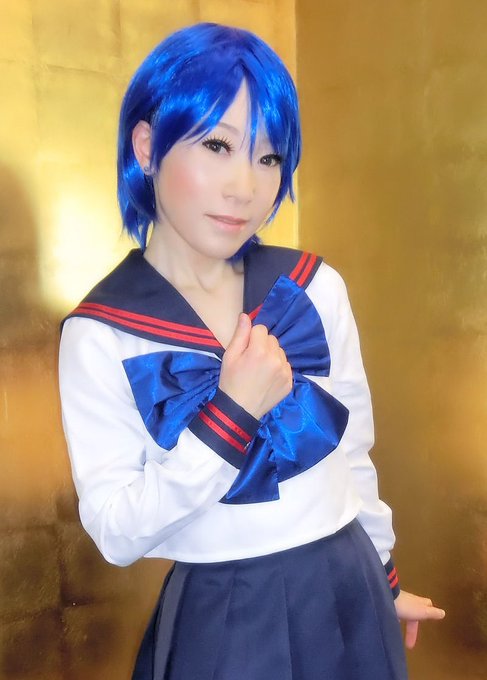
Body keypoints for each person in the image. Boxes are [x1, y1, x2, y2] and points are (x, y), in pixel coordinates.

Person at [59, 22, 445, 680]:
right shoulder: (101, 331)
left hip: (348, 587)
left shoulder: (312, 286)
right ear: (147, 146)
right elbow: (117, 533)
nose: (246, 186)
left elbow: (353, 453)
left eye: (268, 157)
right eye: (217, 145)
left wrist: (384, 579)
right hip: (225, 613)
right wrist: (231, 413)